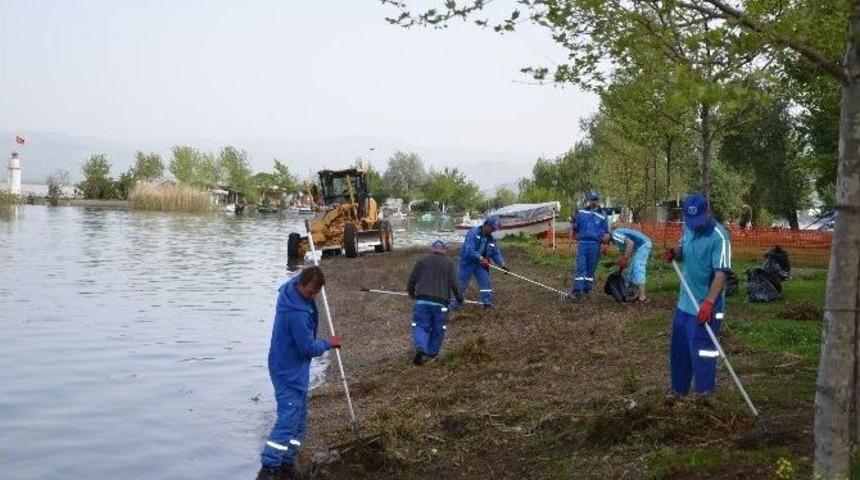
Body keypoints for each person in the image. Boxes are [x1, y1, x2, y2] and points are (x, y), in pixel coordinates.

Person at [257, 267, 342, 480]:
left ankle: (287, 460)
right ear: (300, 285)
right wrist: (328, 343)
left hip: (296, 367)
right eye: (310, 293)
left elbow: (304, 277)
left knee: (300, 419)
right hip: (286, 368)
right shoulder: (295, 313)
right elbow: (307, 348)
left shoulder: (294, 289)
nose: (313, 297)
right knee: (288, 418)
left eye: (316, 294)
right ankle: (269, 467)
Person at [661, 192, 732, 397]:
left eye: (698, 220)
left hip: (706, 308)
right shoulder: (689, 227)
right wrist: (675, 253)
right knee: (680, 353)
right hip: (685, 305)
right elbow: (684, 248)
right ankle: (678, 394)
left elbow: (722, 273)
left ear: (708, 212)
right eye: (691, 221)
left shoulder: (720, 236)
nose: (695, 225)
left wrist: (709, 302)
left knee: (703, 353)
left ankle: (704, 398)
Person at [407, 240, 464, 365]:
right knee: (438, 329)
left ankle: (421, 347)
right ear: (444, 250)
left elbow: (412, 279)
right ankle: (432, 354)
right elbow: (455, 283)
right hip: (441, 304)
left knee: (421, 325)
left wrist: (411, 293)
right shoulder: (449, 263)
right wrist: (459, 298)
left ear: (432, 249)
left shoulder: (422, 261)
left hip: (422, 301)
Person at [455, 215, 508, 308]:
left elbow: (495, 253)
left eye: (494, 229)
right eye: (492, 228)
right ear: (486, 225)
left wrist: (502, 264)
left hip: (480, 263)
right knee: (462, 282)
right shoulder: (473, 233)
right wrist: (480, 258)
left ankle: (486, 302)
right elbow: (469, 250)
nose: (493, 231)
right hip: (467, 262)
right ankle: (454, 303)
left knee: (485, 281)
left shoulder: (490, 238)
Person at [570, 190, 610, 299]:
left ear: (598, 200)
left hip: (595, 245)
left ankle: (587, 289)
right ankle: (578, 290)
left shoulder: (603, 215)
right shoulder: (582, 212)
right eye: (592, 199)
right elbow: (575, 226)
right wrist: (573, 221)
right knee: (581, 266)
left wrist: (605, 243)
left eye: (595, 199)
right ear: (588, 200)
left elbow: (606, 231)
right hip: (583, 243)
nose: (594, 201)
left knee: (591, 268)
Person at [610, 227, 652, 302]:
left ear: (606, 234)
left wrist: (625, 259)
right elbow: (625, 252)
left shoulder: (615, 234)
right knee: (630, 271)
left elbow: (630, 243)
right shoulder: (616, 241)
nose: (603, 243)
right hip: (638, 248)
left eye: (601, 240)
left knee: (638, 268)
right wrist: (619, 264)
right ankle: (636, 294)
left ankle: (642, 297)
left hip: (643, 245)